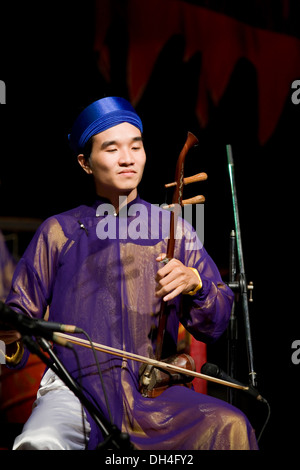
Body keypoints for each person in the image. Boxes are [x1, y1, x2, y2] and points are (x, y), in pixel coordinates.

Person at [1, 96, 258, 450]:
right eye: (111, 149)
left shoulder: (174, 230)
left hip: (152, 393)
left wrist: (197, 285)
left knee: (230, 426)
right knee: (39, 441)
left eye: (136, 146)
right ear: (86, 163)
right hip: (74, 389)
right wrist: (9, 340)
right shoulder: (59, 231)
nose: (127, 158)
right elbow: (17, 322)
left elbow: (216, 323)